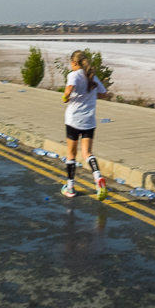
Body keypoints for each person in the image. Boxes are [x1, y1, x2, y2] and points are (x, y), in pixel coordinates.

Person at [60, 50, 109, 200]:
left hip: (74, 120)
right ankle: (97, 176)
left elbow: (69, 89)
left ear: (74, 62)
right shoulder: (91, 76)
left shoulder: (73, 75)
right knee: (87, 153)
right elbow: (103, 94)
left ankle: (70, 187)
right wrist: (90, 95)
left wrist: (66, 97)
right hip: (89, 120)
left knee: (71, 154)